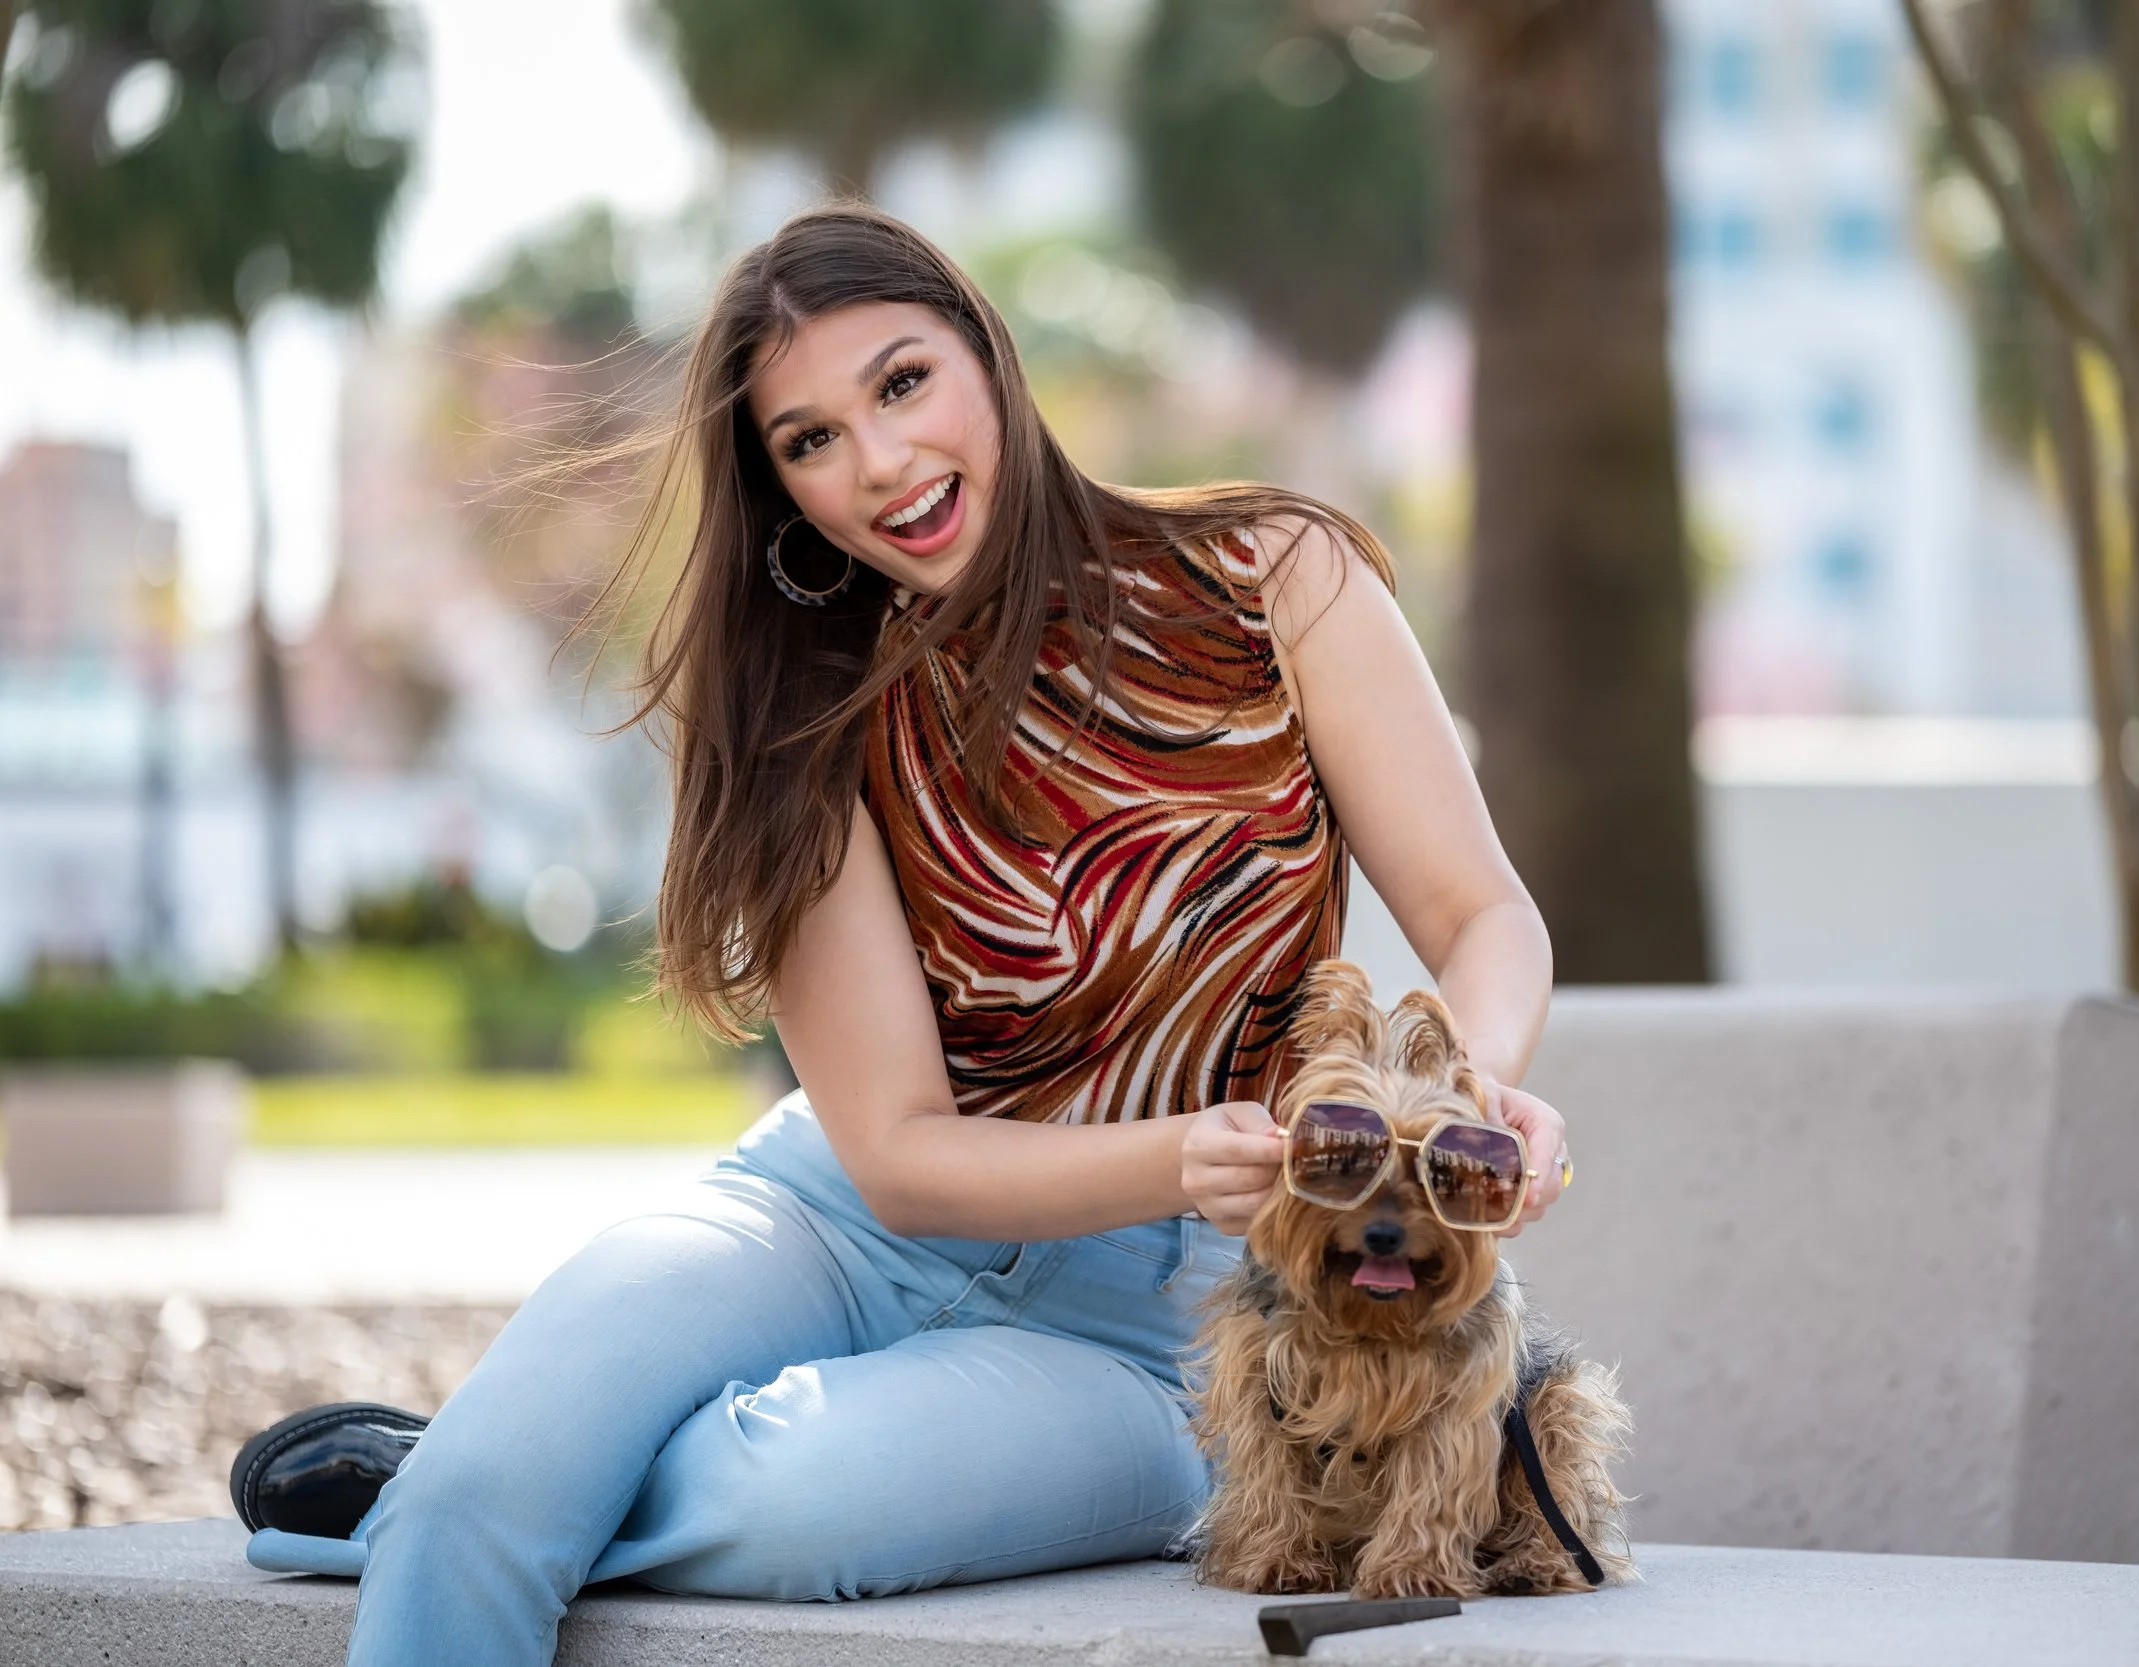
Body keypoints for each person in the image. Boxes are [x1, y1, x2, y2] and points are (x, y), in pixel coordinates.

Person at [233, 201, 1571, 1666]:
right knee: (487, 1490)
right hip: (829, 1219)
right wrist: (1180, 1146)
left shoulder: (1277, 581)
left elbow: (1478, 911)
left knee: (785, 1499)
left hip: (1152, 1329)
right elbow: (901, 1153)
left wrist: (1473, 1098)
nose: (878, 464)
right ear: (780, 490)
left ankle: (491, 1474)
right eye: (806, 441)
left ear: (986, 357)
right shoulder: (794, 710)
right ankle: (487, 1472)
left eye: (902, 382)